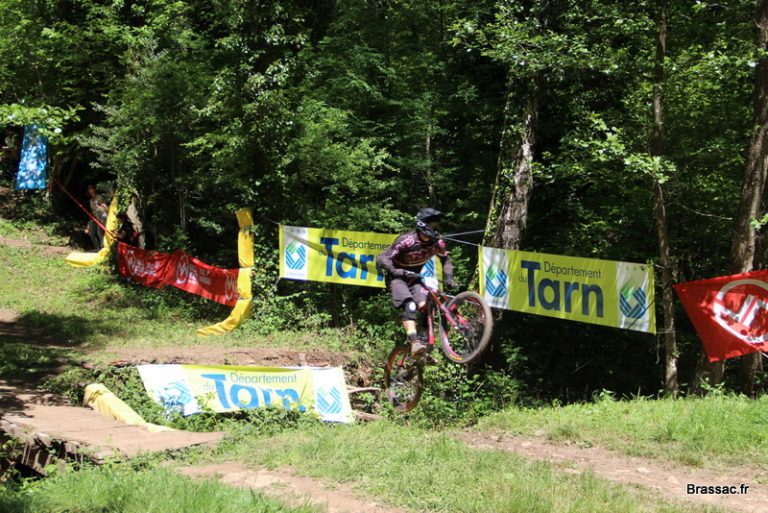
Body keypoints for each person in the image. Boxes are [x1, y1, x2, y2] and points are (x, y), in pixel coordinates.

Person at [377, 208, 457, 356]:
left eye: (438, 226)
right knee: (410, 305)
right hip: (397, 279)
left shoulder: (438, 243)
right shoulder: (406, 240)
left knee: (425, 304)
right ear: (423, 225)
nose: (436, 229)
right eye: (433, 226)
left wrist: (448, 277)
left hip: (415, 279)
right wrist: (394, 271)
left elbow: (446, 259)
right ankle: (414, 343)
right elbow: (382, 257)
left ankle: (423, 340)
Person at [85, 184, 108, 250]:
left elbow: (104, 207)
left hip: (102, 216)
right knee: (95, 232)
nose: (91, 190)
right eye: (89, 189)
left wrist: (103, 208)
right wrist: (92, 217)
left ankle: (104, 248)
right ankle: (99, 248)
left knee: (101, 232)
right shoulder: (90, 200)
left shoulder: (99, 197)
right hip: (97, 218)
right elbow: (93, 211)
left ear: (94, 189)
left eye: (92, 188)